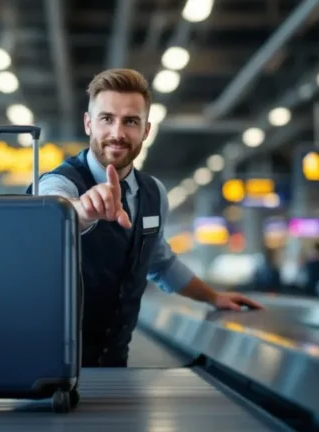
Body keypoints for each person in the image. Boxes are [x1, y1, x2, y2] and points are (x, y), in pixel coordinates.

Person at [29, 68, 262, 368]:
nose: (118, 133)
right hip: (50, 368)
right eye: (107, 119)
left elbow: (160, 262)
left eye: (131, 121)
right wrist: (81, 211)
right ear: (88, 124)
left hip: (113, 362)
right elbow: (49, 210)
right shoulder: (62, 181)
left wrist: (212, 297)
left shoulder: (154, 194)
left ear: (146, 130)